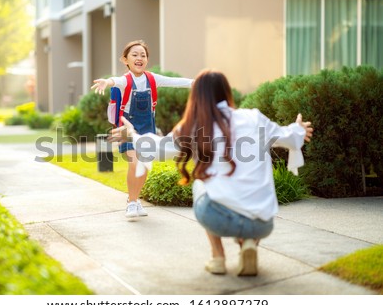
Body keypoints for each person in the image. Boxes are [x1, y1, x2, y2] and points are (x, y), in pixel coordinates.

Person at [108, 69, 313, 276]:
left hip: (218, 218)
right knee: (249, 193)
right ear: (226, 92)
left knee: (201, 181)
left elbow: (158, 148)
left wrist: (132, 134)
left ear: (196, 95)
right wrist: (298, 129)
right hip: (263, 223)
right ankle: (249, 244)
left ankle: (218, 257)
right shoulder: (254, 118)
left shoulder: (194, 126)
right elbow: (289, 135)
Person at [91, 40, 193, 219]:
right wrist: (106, 82)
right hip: (127, 128)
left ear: (147, 60)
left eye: (143, 55)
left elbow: (176, 82)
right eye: (135, 55)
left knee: (144, 166)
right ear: (125, 60)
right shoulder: (125, 81)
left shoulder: (153, 79)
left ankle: (135, 199)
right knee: (135, 163)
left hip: (147, 128)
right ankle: (131, 203)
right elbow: (114, 81)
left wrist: (198, 82)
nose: (139, 58)